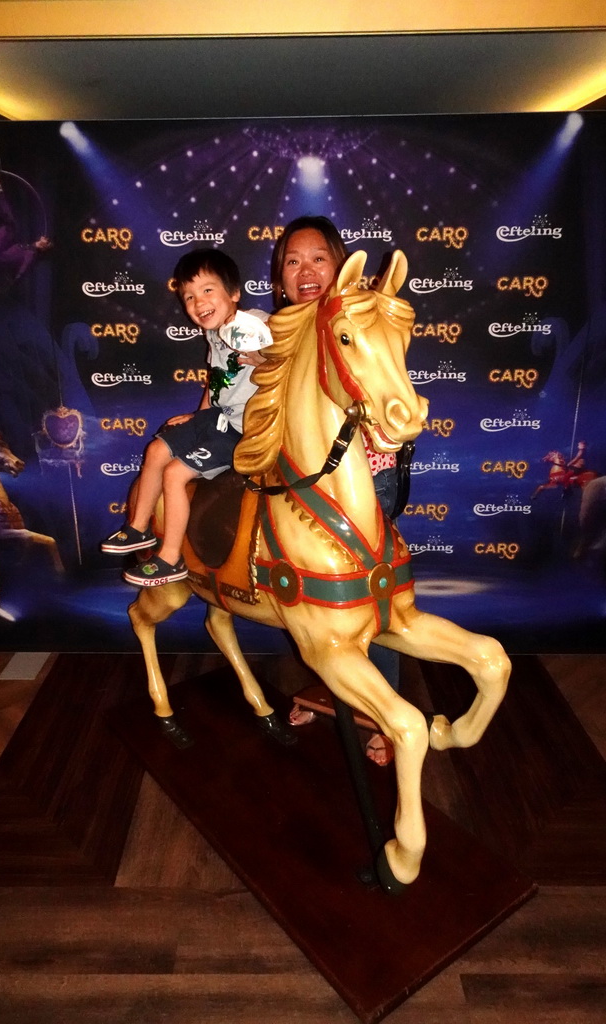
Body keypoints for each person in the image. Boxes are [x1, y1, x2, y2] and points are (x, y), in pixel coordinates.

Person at [272, 215, 404, 765]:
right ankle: (334, 691)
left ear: (340, 263)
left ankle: (382, 712)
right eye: (292, 261)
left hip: (367, 479)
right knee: (309, 602)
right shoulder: (280, 327)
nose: (306, 271)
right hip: (304, 490)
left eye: (318, 258)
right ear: (279, 278)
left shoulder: (358, 312)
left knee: (373, 602)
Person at [101, 248, 272, 586]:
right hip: (219, 419)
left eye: (208, 290)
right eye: (188, 296)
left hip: (245, 432)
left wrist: (263, 359)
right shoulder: (213, 333)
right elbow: (217, 380)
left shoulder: (256, 323)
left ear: (234, 293)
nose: (197, 302)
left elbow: (288, 367)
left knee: (176, 474)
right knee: (156, 452)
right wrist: (198, 417)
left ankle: (171, 558)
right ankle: (138, 529)